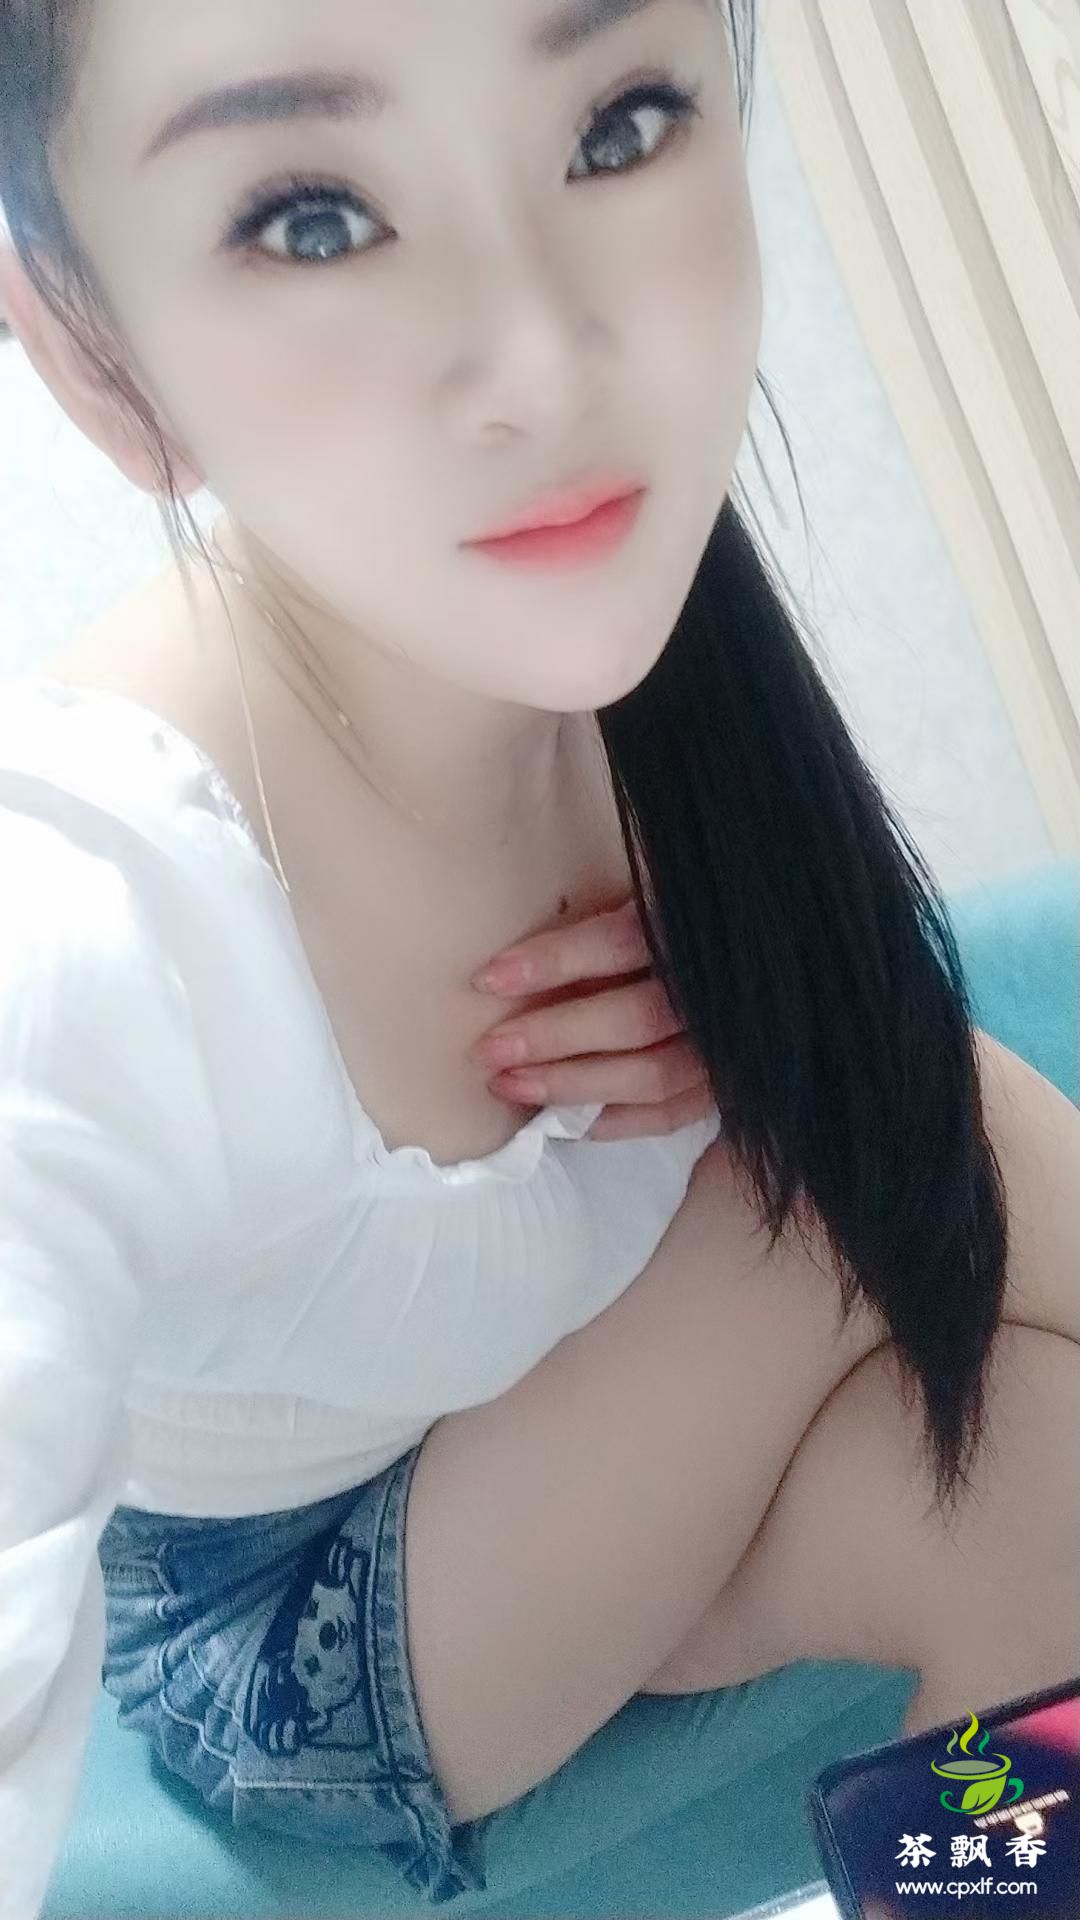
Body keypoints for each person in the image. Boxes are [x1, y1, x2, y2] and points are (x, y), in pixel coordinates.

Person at [1, 1, 1079, 1914]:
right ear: (89, 339)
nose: (545, 358)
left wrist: (741, 998)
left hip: (566, 1393)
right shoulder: (85, 915)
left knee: (1047, 1491)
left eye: (619, 123)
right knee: (875, 1140)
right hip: (298, 1615)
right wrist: (799, 1056)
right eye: (313, 218)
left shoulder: (622, 638)